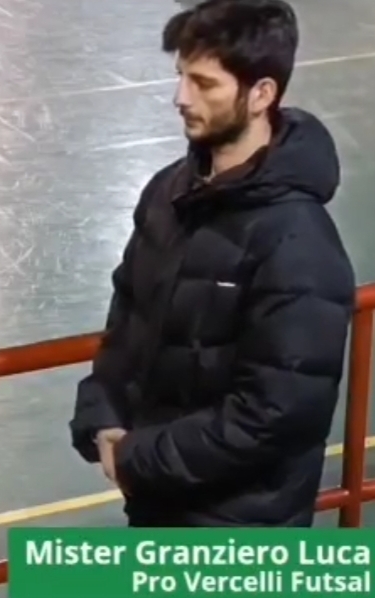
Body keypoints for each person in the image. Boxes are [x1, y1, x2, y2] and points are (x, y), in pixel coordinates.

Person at [69, 0, 356, 527]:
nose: (180, 98)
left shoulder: (298, 244)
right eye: (181, 76)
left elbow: (273, 414)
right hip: (158, 505)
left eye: (204, 83)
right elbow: (128, 322)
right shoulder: (167, 193)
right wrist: (101, 418)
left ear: (261, 94)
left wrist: (136, 458)